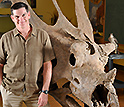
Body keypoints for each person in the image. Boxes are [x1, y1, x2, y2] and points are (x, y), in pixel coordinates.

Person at [0, 2, 55, 107]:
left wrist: (45, 91)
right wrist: (2, 88)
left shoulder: (43, 36)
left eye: (23, 15)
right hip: (11, 91)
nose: (21, 19)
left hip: (36, 92)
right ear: (12, 18)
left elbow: (47, 64)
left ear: (28, 15)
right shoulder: (5, 39)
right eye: (17, 16)